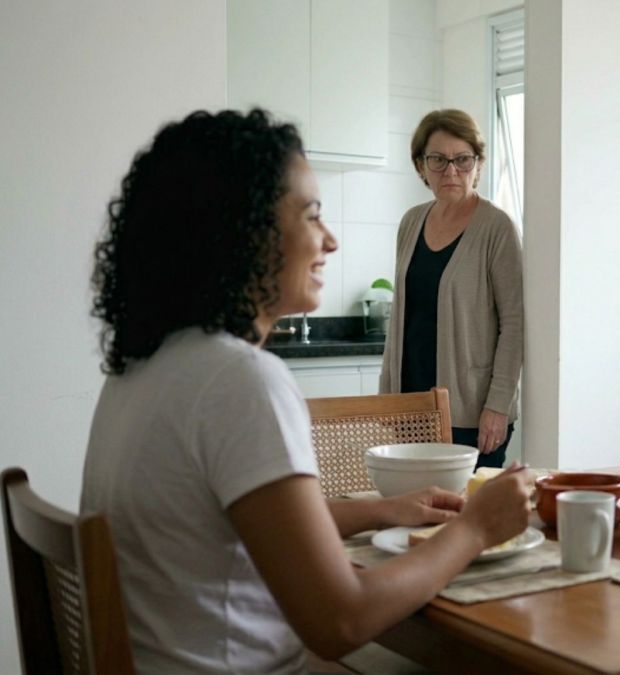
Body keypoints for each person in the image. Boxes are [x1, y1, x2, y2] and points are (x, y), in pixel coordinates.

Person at [83, 109, 534, 673]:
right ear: (245, 230)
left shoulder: (143, 367)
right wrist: (474, 528)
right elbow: (341, 622)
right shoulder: (239, 381)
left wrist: (382, 510)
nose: (331, 239)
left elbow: (237, 524)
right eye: (313, 215)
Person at [379, 109, 523, 470]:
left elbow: (514, 323)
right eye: (438, 160)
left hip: (470, 414)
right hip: (411, 408)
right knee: (418, 515)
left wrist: (498, 406)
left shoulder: (497, 228)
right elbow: (402, 317)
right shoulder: (411, 222)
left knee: (467, 515)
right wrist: (387, 396)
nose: (451, 171)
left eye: (462, 159)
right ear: (421, 166)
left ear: (478, 163)